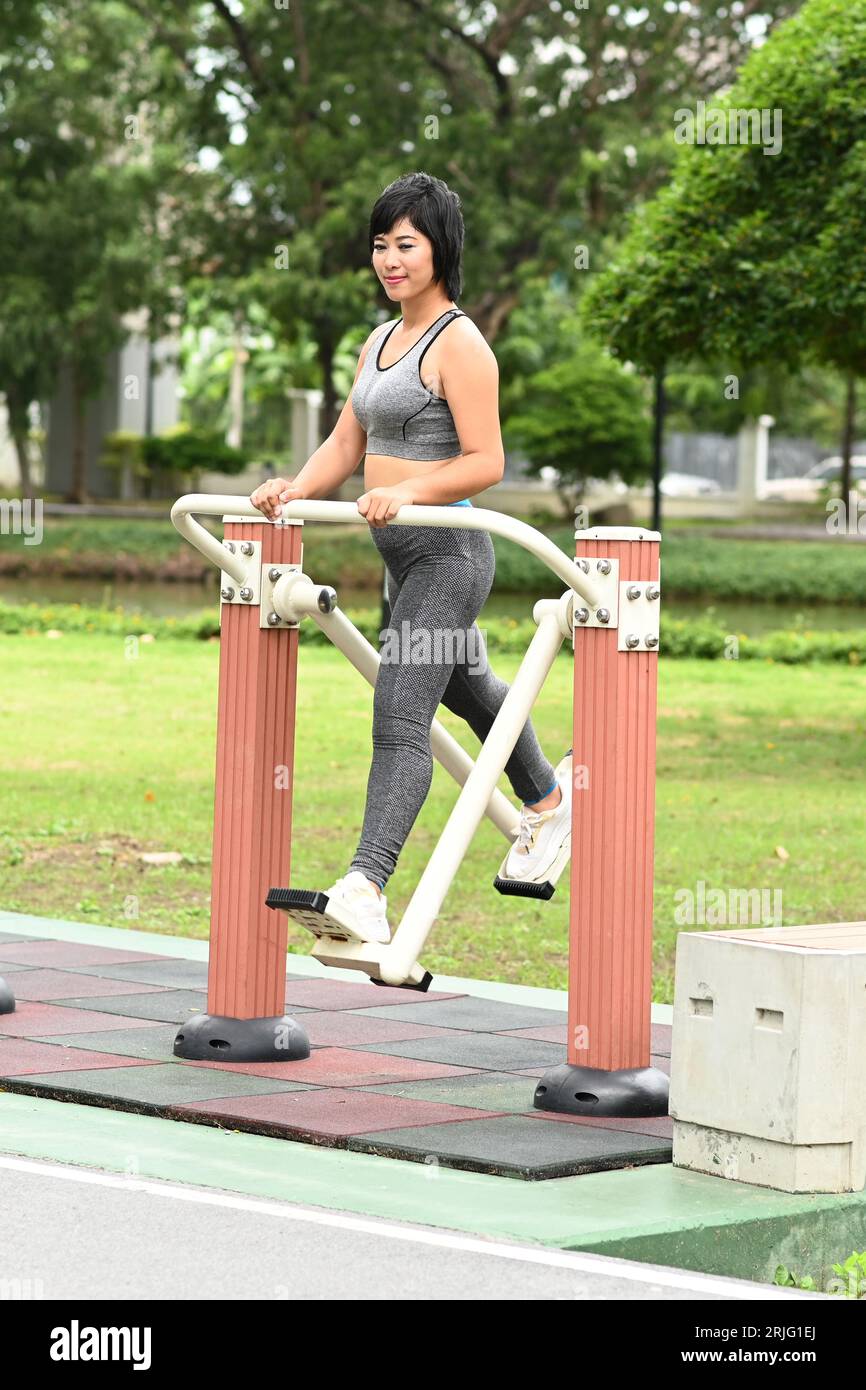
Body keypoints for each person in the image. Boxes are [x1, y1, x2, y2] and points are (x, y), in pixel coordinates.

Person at [251, 171, 571, 944]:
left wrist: (415, 491)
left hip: (448, 556)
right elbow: (345, 441)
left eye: (407, 244)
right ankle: (552, 806)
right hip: (401, 561)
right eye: (380, 245)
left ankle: (365, 885)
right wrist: (294, 488)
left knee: (401, 714)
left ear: (439, 249)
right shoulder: (380, 339)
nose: (390, 259)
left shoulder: (461, 343)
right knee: (467, 687)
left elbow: (486, 460)